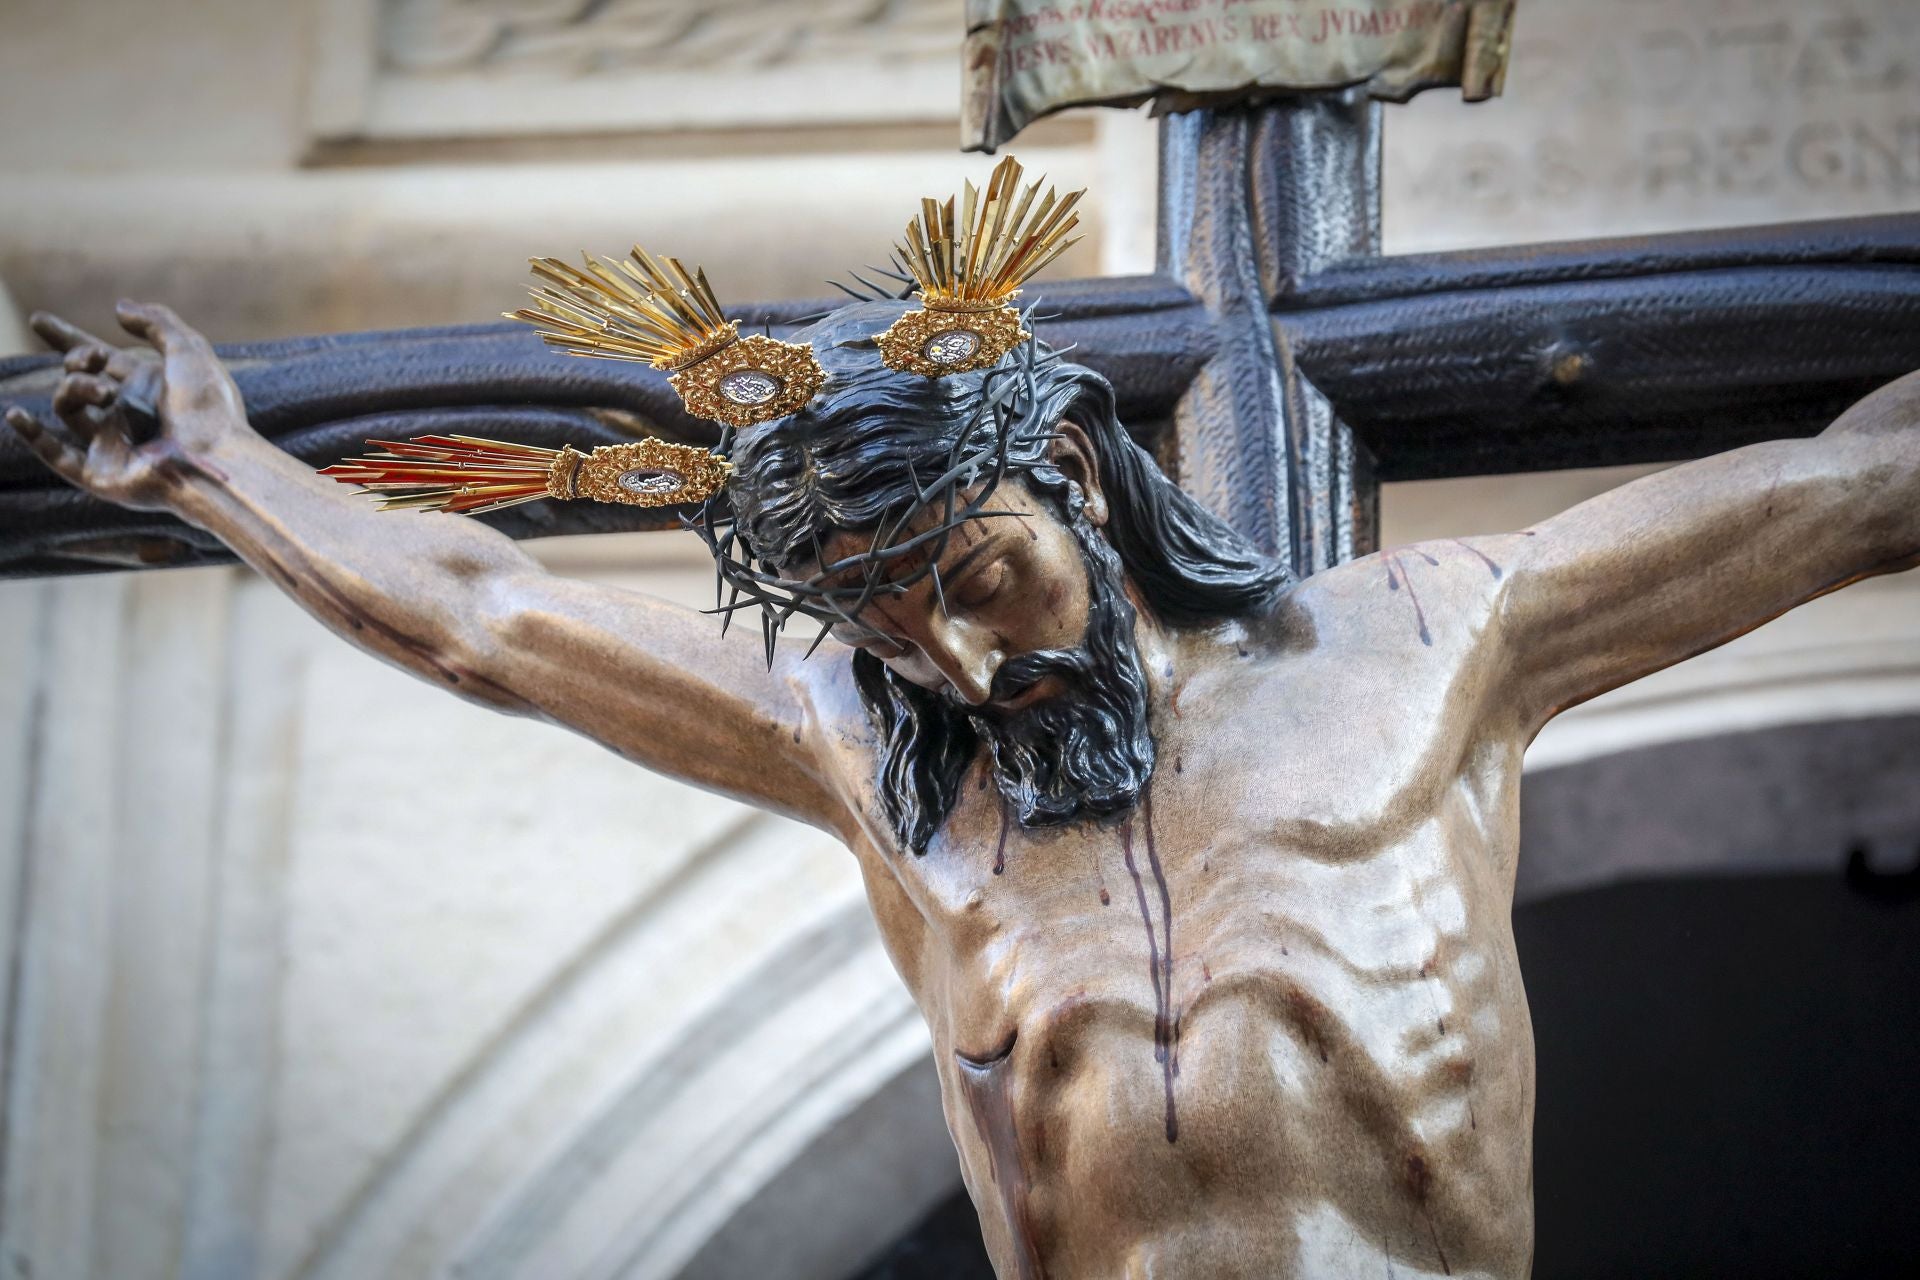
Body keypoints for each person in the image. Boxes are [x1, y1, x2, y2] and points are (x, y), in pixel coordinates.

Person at [8, 281, 1917, 1278]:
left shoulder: (1437, 638)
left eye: (985, 577)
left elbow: (1855, 488)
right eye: (896, 621)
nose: (967, 659)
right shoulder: (875, 754)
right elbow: (488, 621)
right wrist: (208, 469)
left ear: (1077, 470)